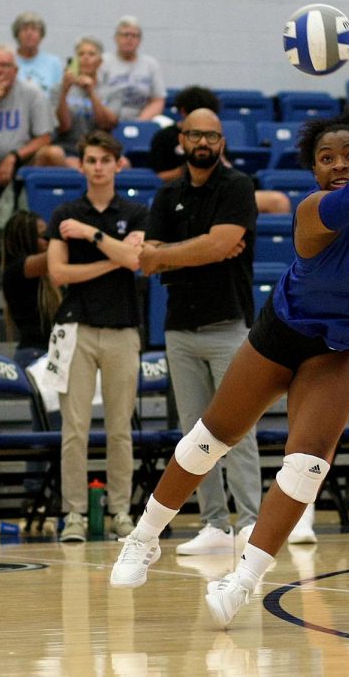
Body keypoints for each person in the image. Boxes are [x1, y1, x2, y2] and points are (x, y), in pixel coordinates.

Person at [110, 110, 349, 629]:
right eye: (326, 158)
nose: (338, 165)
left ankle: (244, 580)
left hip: (339, 350)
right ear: (313, 171)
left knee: (307, 464)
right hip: (282, 336)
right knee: (209, 438)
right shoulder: (315, 210)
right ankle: (143, 538)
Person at [138, 108, 263, 555]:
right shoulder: (167, 192)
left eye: (212, 135)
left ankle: (250, 521)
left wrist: (178, 252)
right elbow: (148, 258)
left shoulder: (237, 187)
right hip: (179, 329)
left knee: (238, 427)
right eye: (195, 135)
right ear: (183, 139)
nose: (204, 142)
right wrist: (202, 249)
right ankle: (214, 525)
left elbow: (221, 242)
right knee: (194, 432)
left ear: (222, 141)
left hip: (228, 323)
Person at [46, 130, 148, 542]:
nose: (99, 167)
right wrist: (115, 259)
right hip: (77, 328)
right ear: (82, 165)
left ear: (117, 165)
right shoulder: (64, 212)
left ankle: (121, 511)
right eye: (91, 160)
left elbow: (136, 260)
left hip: (123, 329)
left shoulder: (137, 212)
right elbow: (58, 273)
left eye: (106, 160)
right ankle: (73, 515)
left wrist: (90, 235)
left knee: (120, 428)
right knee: (75, 429)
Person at [149, 85, 289, 213]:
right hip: (184, 193)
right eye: (196, 134)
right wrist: (190, 169)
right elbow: (157, 177)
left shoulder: (215, 137)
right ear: (184, 112)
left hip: (220, 192)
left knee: (278, 201)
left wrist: (219, 159)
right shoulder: (165, 137)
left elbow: (229, 171)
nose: (203, 141)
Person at [0, 44, 58, 240]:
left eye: (5, 65)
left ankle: (43, 225)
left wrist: (14, 157)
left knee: (54, 154)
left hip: (23, 157)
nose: (0, 70)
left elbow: (45, 137)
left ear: (16, 70)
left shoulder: (33, 93)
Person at [1, 210, 60, 369]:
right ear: (24, 240)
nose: (50, 241)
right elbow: (58, 256)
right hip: (35, 356)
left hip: (54, 354)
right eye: (44, 236)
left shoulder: (48, 275)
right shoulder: (15, 271)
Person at [54, 36, 119, 169]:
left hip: (101, 150)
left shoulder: (111, 90)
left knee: (124, 164)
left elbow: (106, 124)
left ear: (100, 62)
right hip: (69, 150)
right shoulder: (59, 88)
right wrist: (64, 91)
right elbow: (63, 126)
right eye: (81, 54)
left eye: (91, 54)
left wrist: (91, 93)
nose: (86, 58)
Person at [99, 16, 167, 122]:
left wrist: (139, 122)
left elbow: (158, 100)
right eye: (125, 35)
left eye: (134, 35)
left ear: (140, 40)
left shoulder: (151, 65)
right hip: (108, 120)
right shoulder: (102, 62)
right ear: (116, 38)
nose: (129, 39)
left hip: (142, 119)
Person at [12, 11, 63, 95]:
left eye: (34, 29)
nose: (29, 33)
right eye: (24, 29)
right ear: (17, 35)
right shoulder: (8, 61)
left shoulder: (54, 63)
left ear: (41, 35)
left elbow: (58, 96)